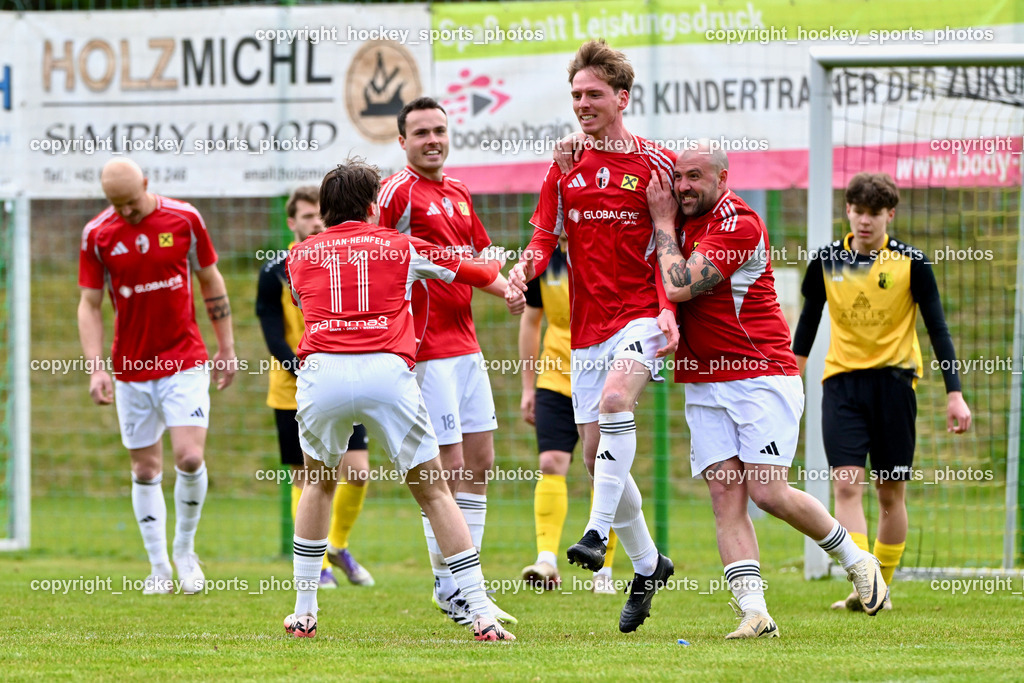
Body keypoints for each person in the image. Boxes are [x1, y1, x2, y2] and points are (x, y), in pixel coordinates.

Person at [645, 142, 890, 639]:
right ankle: (754, 614)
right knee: (724, 495)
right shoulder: (681, 221)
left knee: (768, 491)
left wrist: (663, 224)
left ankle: (857, 559)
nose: (683, 186)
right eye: (678, 177)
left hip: (759, 374)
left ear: (722, 178)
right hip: (703, 380)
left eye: (695, 176)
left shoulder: (738, 222)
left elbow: (679, 283)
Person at [282, 157, 513, 642]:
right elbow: (476, 272)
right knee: (435, 492)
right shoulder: (401, 244)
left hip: (322, 373)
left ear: (323, 211)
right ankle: (481, 614)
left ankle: (304, 613)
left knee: (318, 484)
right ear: (372, 206)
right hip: (386, 372)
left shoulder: (298, 255)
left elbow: (303, 301)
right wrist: (500, 261)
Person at [506, 39, 679, 633]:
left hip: (641, 315)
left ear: (622, 98)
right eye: (576, 95)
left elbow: (671, 243)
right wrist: (520, 272)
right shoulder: (564, 167)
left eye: (594, 94)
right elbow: (542, 239)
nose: (582, 104)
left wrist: (669, 309)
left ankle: (596, 534)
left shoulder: (657, 164)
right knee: (592, 455)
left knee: (614, 402)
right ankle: (649, 565)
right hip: (585, 331)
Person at [793, 172, 972, 611]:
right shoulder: (827, 261)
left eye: (874, 213)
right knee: (846, 485)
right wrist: (790, 380)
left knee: (890, 493)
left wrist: (954, 393)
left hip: (895, 384)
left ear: (890, 214)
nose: (865, 220)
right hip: (841, 384)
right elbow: (808, 325)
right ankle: (865, 584)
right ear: (848, 211)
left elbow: (938, 329)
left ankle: (878, 587)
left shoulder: (912, 263)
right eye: (858, 211)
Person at [378, 96, 516, 626]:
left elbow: (478, 260)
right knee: (448, 470)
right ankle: (449, 585)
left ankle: (466, 583)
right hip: (425, 351)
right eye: (421, 133)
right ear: (402, 141)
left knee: (480, 462)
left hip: (467, 348)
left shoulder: (457, 191)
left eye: (439, 130)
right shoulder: (396, 192)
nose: (432, 139)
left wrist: (507, 289)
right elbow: (376, 252)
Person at [78, 157, 237, 595]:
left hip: (184, 360)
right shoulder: (97, 234)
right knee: (145, 468)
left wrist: (226, 347)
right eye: (117, 205)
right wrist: (96, 367)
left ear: (146, 184)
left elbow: (211, 280)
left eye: (131, 201)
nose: (126, 211)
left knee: (189, 457)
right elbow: (89, 304)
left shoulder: (184, 219)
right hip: (131, 368)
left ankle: (185, 552)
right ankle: (158, 568)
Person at [256, 186, 374, 589]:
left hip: (343, 382)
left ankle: (337, 546)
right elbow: (274, 337)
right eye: (307, 216)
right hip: (293, 390)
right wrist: (306, 370)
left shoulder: (346, 261)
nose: (315, 222)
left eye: (320, 214)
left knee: (357, 472)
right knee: (305, 477)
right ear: (292, 222)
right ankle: (318, 563)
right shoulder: (275, 270)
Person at [518, 234, 620, 594]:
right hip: (555, 377)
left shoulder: (606, 248)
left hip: (603, 376)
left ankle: (603, 571)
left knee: (603, 470)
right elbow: (531, 321)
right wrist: (528, 387)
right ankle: (546, 560)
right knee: (550, 462)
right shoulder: (542, 260)